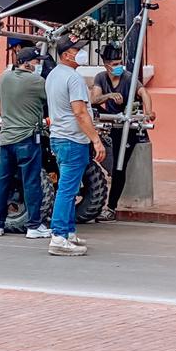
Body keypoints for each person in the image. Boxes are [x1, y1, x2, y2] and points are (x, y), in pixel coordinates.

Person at [44, 36, 106, 256]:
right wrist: (96, 140)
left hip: (59, 137)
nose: (80, 53)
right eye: (76, 50)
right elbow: (80, 112)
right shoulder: (73, 78)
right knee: (67, 190)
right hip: (73, 140)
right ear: (66, 55)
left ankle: (68, 232)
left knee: (68, 187)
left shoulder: (53, 75)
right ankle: (59, 237)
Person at [0, 47, 52, 240]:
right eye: (36, 62)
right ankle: (34, 226)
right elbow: (50, 99)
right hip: (27, 139)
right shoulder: (37, 82)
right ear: (26, 63)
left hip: (5, 139)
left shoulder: (4, 78)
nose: (38, 65)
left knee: (3, 182)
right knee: (31, 182)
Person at [90, 43, 155, 222]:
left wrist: (149, 112)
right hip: (111, 123)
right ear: (106, 65)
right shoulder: (101, 78)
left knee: (120, 166)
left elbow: (144, 93)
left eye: (120, 63)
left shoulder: (128, 78)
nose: (118, 66)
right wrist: (109, 96)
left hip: (127, 126)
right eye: (114, 64)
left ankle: (111, 207)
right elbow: (93, 99)